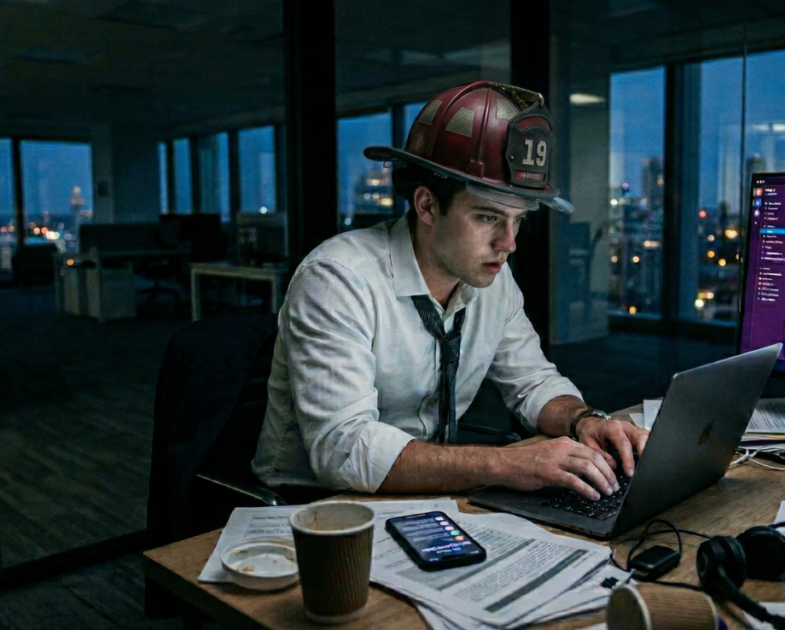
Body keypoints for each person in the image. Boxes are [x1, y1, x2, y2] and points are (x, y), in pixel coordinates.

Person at [252, 81, 648, 502]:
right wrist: (507, 464)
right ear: (426, 206)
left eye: (519, 220)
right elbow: (343, 450)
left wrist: (583, 420)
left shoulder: (491, 277)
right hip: (314, 507)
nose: (508, 243)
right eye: (487, 217)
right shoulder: (338, 279)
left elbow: (532, 381)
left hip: (430, 491)